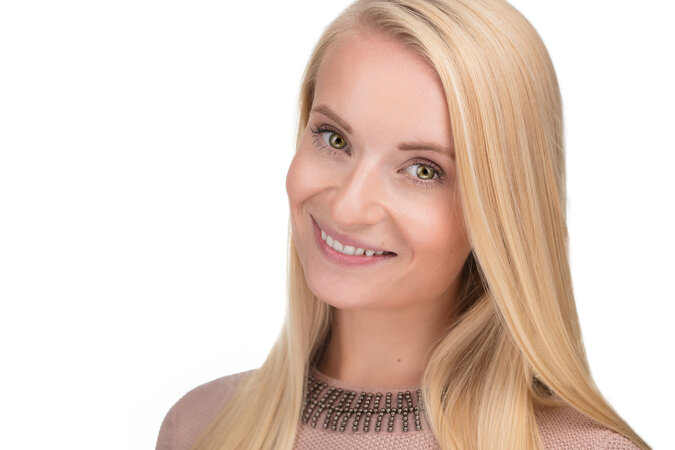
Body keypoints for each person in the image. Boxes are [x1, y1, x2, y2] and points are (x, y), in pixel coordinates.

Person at [156, 0, 649, 448]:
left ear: (502, 212)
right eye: (334, 138)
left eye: (423, 170)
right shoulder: (199, 427)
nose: (348, 207)